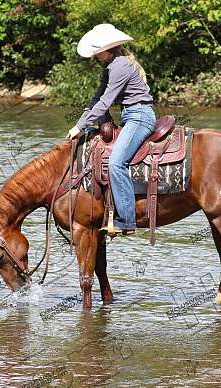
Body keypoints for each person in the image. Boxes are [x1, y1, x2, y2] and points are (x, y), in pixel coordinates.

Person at [67, 24, 157, 236]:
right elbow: (96, 99)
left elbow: (105, 101)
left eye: (97, 50)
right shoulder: (111, 66)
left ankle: (126, 220)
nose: (94, 55)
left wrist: (79, 127)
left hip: (139, 116)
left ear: (106, 49)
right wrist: (79, 125)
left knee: (116, 162)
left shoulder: (120, 66)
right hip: (131, 115)